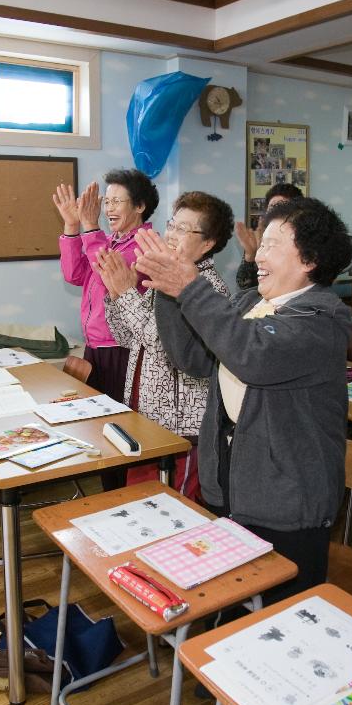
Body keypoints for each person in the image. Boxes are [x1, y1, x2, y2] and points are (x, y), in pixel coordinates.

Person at [139, 197, 352, 604]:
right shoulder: (250, 302)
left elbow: (254, 355)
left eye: (272, 244)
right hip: (235, 489)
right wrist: (168, 291)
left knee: (280, 619)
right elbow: (195, 360)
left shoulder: (323, 319)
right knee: (230, 609)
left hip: (288, 502)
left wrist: (188, 287)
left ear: (309, 259)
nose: (257, 254)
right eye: (260, 243)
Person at [99, 192, 233, 500]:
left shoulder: (208, 288)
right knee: (141, 506)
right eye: (172, 225)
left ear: (208, 243)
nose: (171, 235)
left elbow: (162, 346)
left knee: (174, 510)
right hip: (147, 417)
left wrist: (124, 293)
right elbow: (128, 338)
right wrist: (115, 293)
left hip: (181, 429)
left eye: (183, 230)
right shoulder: (164, 278)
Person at [53, 168, 158, 404]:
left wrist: (90, 226)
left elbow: (107, 275)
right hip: (95, 345)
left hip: (120, 348)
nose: (108, 209)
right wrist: (72, 226)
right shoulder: (109, 242)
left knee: (116, 421)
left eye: (116, 202)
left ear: (140, 206)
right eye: (106, 202)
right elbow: (74, 275)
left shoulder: (143, 246)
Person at [234, 182, 302, 291]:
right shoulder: (260, 238)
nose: (276, 212)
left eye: (283, 207)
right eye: (273, 207)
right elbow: (244, 285)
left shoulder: (302, 241)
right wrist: (250, 255)